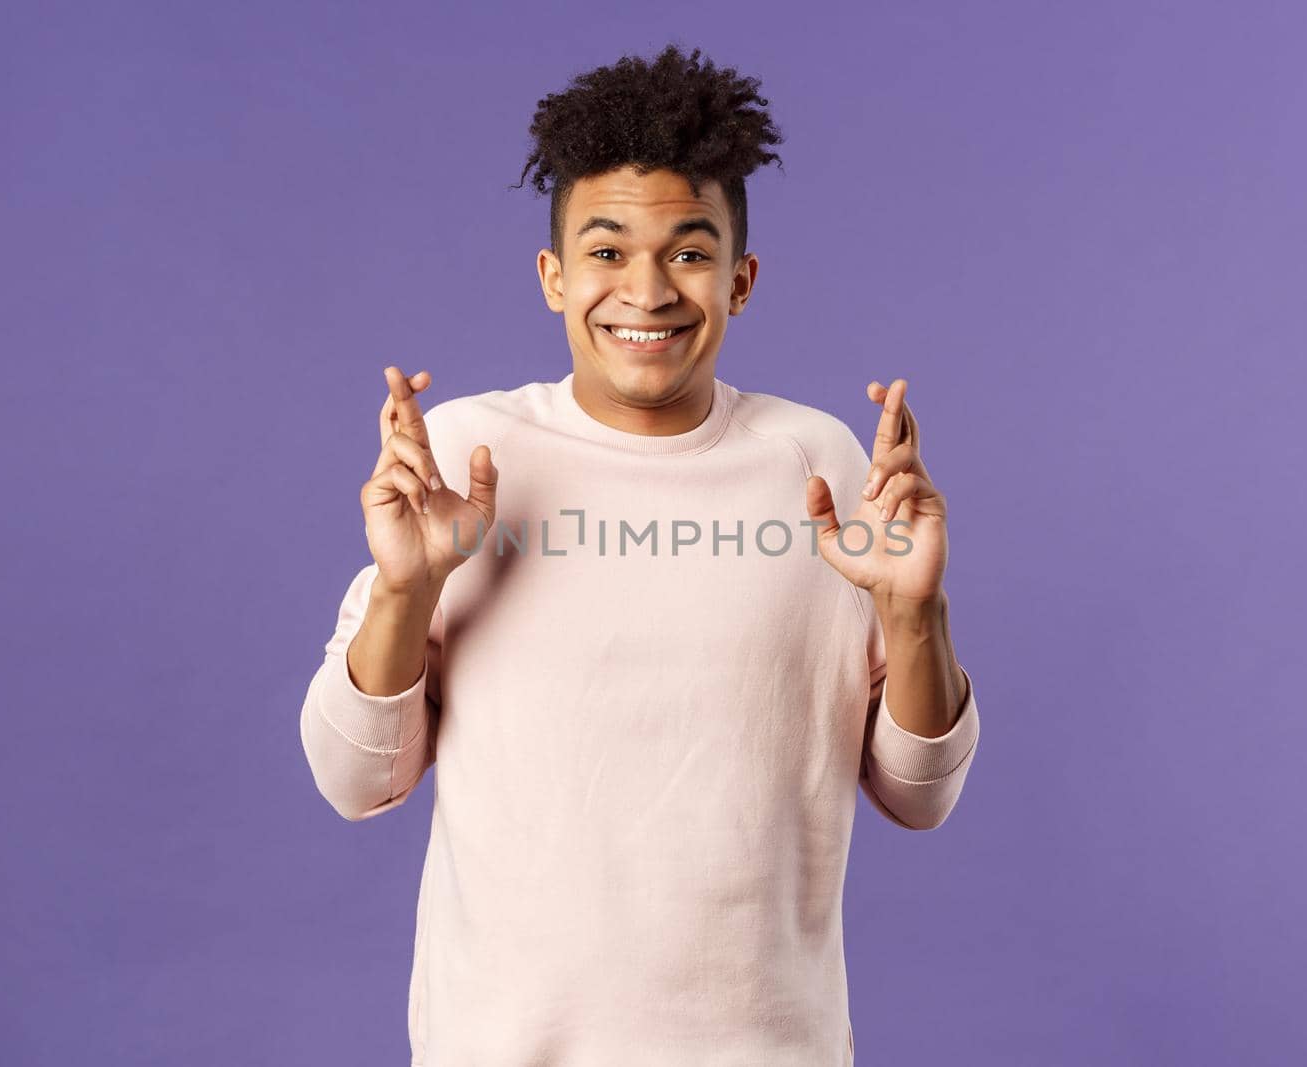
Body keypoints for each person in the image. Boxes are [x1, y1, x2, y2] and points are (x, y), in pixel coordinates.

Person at [298, 43, 981, 1066]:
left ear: (740, 279)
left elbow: (917, 796)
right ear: (553, 276)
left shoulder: (820, 463)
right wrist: (408, 586)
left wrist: (915, 611)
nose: (648, 289)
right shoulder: (467, 456)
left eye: (689, 251)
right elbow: (355, 781)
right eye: (608, 250)